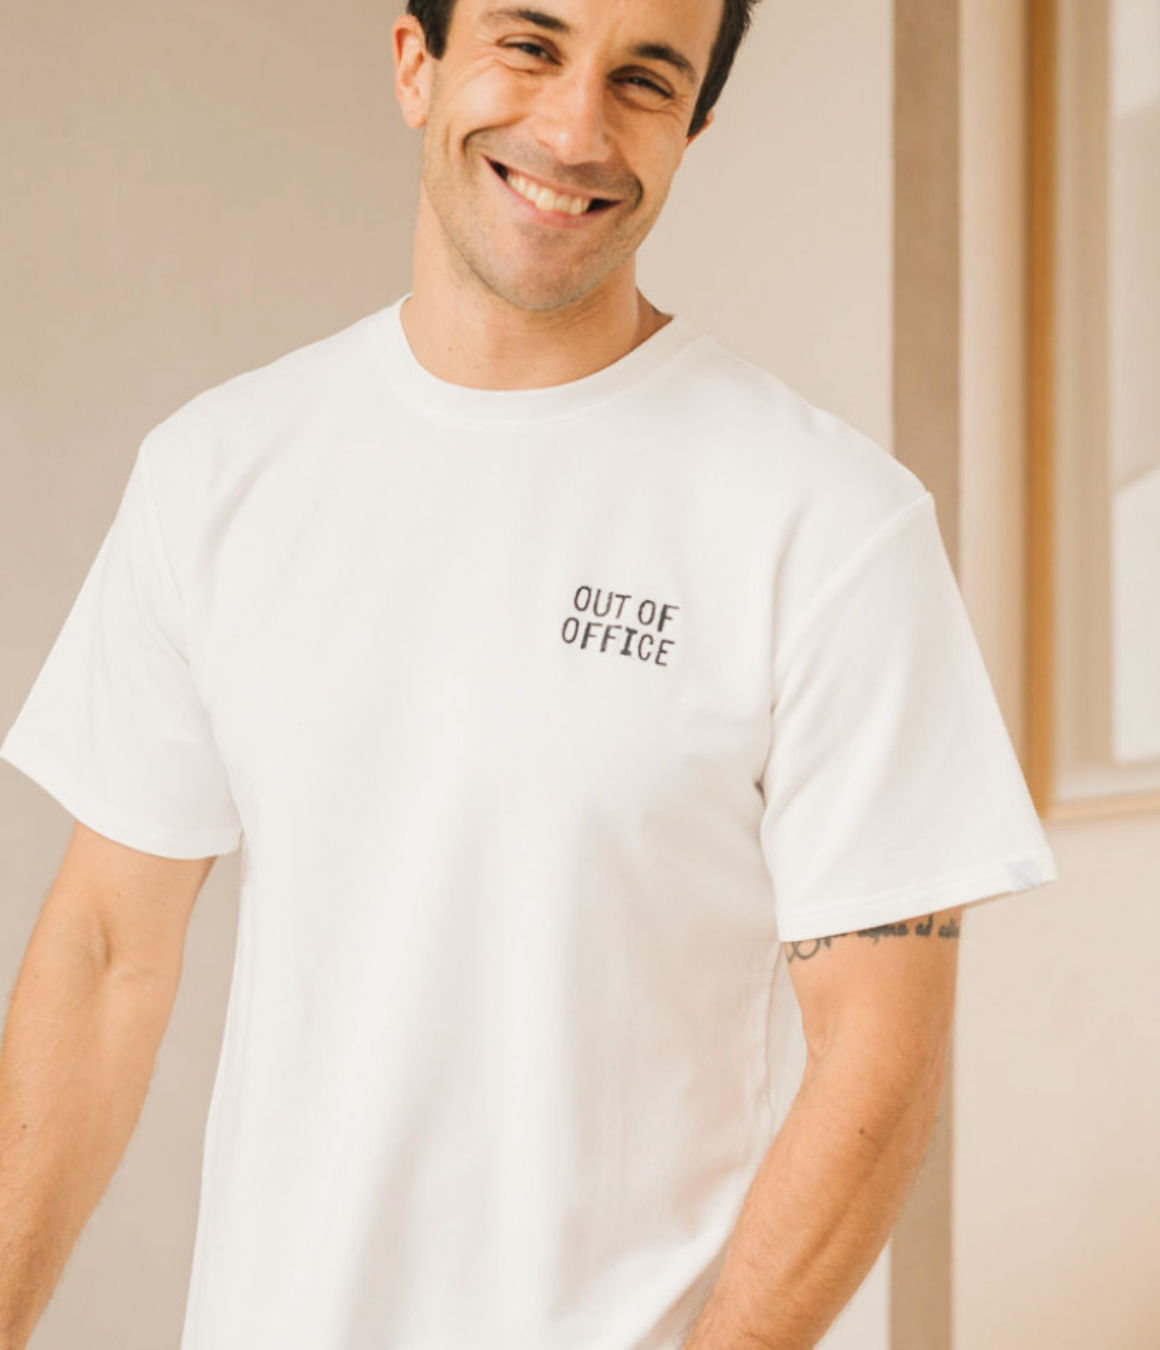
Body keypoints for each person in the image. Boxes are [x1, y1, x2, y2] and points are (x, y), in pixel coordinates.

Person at [0, 0, 1060, 1347]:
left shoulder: (827, 523)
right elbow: (106, 950)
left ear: (694, 129)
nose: (573, 129)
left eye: (645, 81)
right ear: (415, 63)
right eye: (530, 45)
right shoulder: (216, 473)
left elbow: (880, 1054)